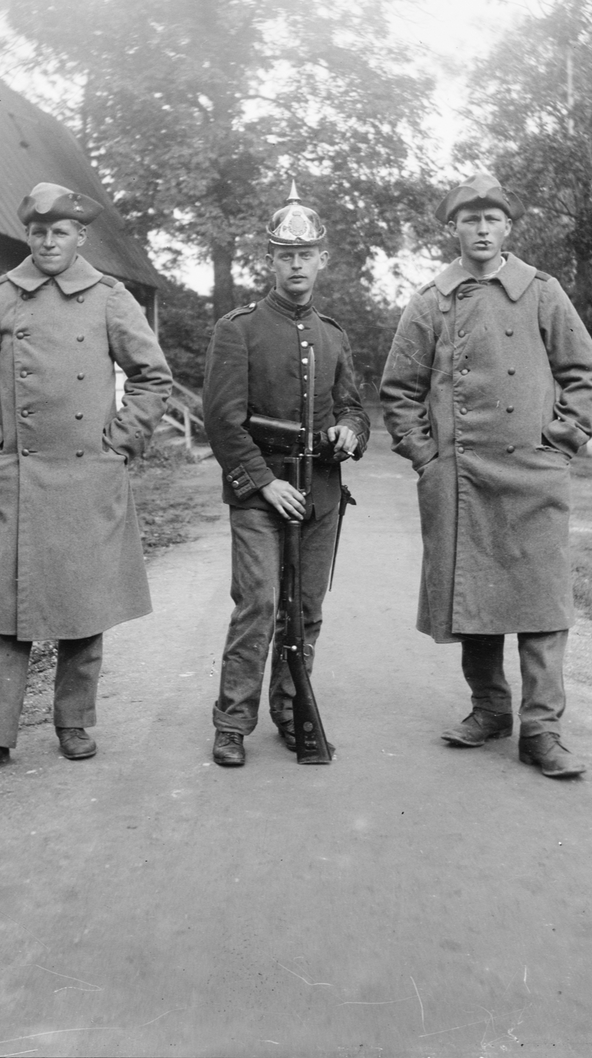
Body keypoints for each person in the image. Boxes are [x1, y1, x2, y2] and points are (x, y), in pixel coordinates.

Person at [380, 172, 592, 778]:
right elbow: (398, 390)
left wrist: (559, 443)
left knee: (541, 602)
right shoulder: (430, 301)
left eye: (491, 219)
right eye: (469, 220)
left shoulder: (542, 292)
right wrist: (426, 456)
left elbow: (583, 373)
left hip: (534, 471)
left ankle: (542, 731)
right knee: (472, 596)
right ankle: (489, 709)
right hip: (461, 477)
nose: (481, 229)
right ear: (452, 229)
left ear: (507, 227)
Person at [0, 182, 172, 779]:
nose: (49, 242)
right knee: (5, 614)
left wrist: (120, 442)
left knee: (83, 608)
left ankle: (73, 722)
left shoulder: (109, 297)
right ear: (29, 235)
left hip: (86, 476)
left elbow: (152, 376)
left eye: (60, 232)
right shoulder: (0, 295)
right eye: (39, 232)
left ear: (80, 236)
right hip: (18, 477)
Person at [203, 182, 370, 767]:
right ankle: (232, 723)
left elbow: (354, 408)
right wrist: (264, 482)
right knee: (257, 605)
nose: (296, 265)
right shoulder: (238, 329)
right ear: (270, 261)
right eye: (285, 255)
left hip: (320, 493)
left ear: (323, 259)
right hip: (259, 495)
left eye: (306, 255)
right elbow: (222, 421)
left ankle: (293, 713)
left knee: (308, 611)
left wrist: (349, 431)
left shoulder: (333, 334)